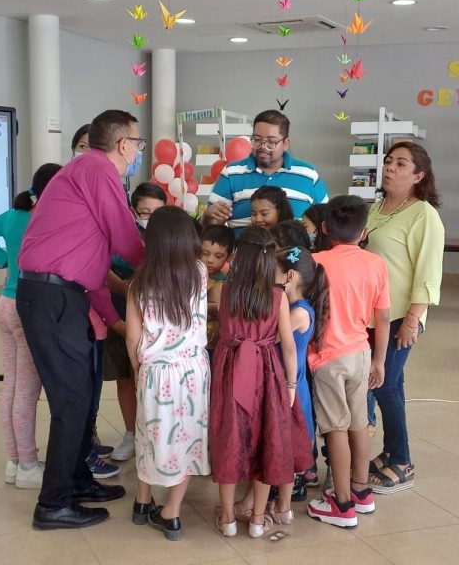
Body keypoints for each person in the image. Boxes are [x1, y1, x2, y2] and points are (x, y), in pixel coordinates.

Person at [16, 110, 146, 530]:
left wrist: (114, 315)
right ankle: (53, 504)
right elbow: (126, 236)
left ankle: (77, 481)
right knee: (71, 401)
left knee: (82, 394)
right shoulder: (96, 168)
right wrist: (165, 266)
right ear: (124, 144)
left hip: (61, 295)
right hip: (51, 296)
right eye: (138, 145)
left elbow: (93, 266)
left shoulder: (82, 173)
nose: (138, 153)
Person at [210, 227, 312, 539]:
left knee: (229, 439)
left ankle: (227, 518)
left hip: (230, 369)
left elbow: (225, 331)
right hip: (267, 373)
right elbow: (289, 346)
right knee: (266, 440)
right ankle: (256, 519)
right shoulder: (278, 296)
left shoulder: (227, 292)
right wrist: (291, 386)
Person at [0, 162, 62, 490]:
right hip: (28, 309)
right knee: (27, 391)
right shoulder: (46, 219)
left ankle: (14, 461)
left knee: (11, 388)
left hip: (5, 305)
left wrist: (5, 259)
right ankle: (29, 466)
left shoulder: (13, 215)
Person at [363, 142, 444, 495]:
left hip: (399, 316)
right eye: (388, 162)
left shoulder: (423, 214)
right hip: (368, 315)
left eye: (400, 163)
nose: (390, 168)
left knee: (387, 383)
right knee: (377, 383)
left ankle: (402, 459)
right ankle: (386, 453)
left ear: (418, 175)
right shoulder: (374, 209)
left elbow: (428, 271)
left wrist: (413, 319)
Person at [125, 206, 211, 541]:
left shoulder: (138, 283)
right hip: (193, 370)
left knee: (147, 433)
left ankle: (141, 501)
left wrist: (138, 371)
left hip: (154, 373)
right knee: (187, 437)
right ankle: (172, 514)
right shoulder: (200, 272)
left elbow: (133, 337)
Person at [305, 195, 390, 528]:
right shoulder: (375, 263)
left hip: (327, 357)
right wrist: (379, 361)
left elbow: (289, 257)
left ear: (325, 228)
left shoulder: (315, 261)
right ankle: (361, 491)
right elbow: (382, 318)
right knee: (358, 423)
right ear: (364, 231)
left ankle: (340, 504)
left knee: (334, 429)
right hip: (361, 353)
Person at [266, 246, 330, 523]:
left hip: (291, 385)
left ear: (289, 276)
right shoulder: (291, 306)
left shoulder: (299, 312)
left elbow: (267, 337)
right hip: (283, 381)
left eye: (273, 272)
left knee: (289, 438)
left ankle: (287, 494)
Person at [104, 182, 167, 464]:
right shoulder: (119, 236)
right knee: (126, 376)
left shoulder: (171, 238)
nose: (150, 218)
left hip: (160, 322)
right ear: (132, 211)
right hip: (121, 315)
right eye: (144, 212)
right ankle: (131, 433)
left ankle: (158, 435)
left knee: (156, 379)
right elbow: (104, 269)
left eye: (157, 212)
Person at [70, 123, 119, 478]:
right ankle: (82, 455)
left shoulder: (101, 191)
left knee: (90, 390)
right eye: (82, 147)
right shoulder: (79, 194)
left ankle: (87, 442)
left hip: (97, 321)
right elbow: (96, 275)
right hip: (80, 312)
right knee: (75, 395)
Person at [203, 110, 329, 231]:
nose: (263, 147)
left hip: (294, 252)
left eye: (271, 142)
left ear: (286, 143)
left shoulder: (308, 174)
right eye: (257, 140)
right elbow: (212, 227)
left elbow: (327, 220)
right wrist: (209, 216)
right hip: (244, 251)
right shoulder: (231, 172)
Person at [200, 225, 235, 354]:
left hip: (217, 345)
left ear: (229, 257)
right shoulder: (190, 279)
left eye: (218, 256)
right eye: (205, 253)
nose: (210, 260)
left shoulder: (227, 281)